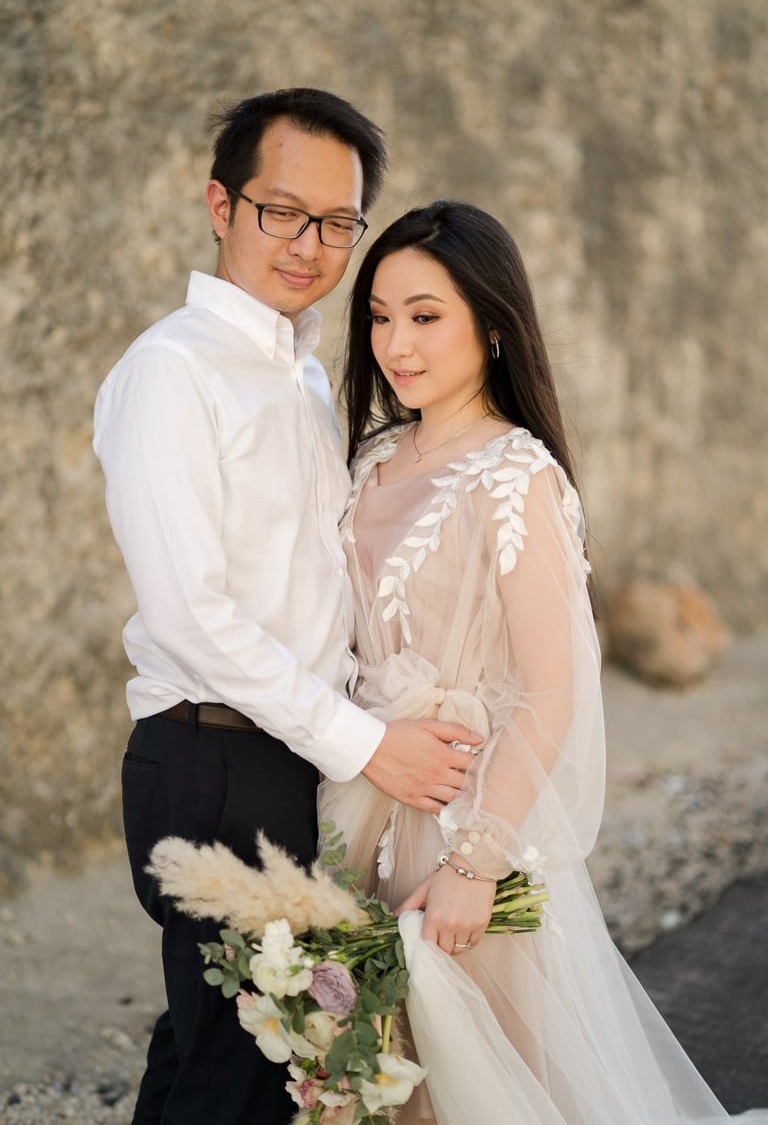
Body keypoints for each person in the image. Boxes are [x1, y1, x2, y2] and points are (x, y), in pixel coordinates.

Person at [318, 199, 768, 1124]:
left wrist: (478, 864)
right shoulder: (370, 459)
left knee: (492, 1080)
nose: (397, 343)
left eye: (426, 316)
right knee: (377, 1075)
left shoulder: (515, 476)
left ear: (491, 327)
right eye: (381, 315)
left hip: (467, 822)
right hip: (358, 804)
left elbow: (553, 687)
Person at [92, 92, 480, 1125]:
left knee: (210, 1046)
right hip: (213, 756)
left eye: (337, 222)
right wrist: (366, 744)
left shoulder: (305, 374)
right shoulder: (173, 373)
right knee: (245, 1075)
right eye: (282, 211)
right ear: (222, 206)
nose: (310, 245)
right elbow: (191, 620)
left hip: (294, 757)